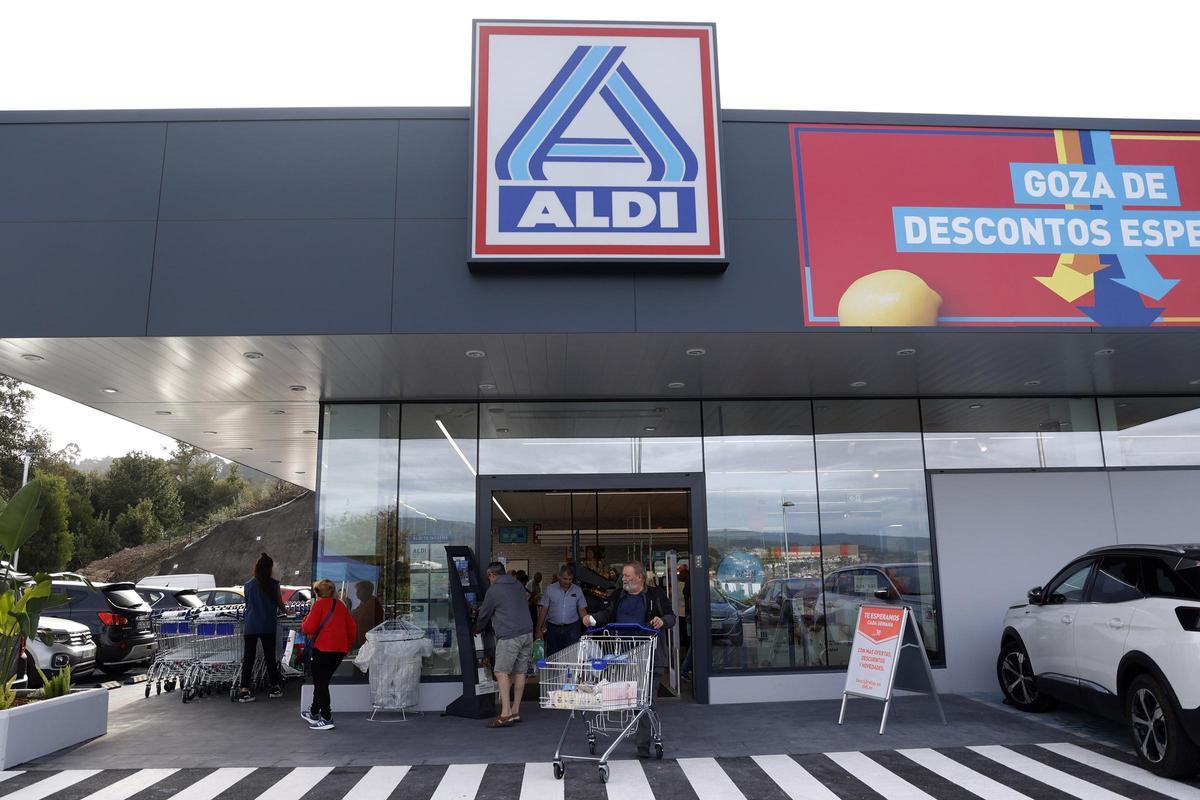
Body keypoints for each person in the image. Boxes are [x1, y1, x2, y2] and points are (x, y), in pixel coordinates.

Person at [584, 561, 676, 757]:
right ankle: (644, 733)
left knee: (645, 700)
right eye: (623, 575)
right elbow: (607, 613)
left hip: (651, 656)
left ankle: (643, 746)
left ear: (639, 577)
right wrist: (593, 618)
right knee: (635, 698)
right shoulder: (619, 595)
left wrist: (661, 620)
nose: (623, 579)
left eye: (627, 575)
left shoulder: (655, 595)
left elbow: (671, 617)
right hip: (625, 656)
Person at [473, 561, 533, 728]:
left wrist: (477, 628)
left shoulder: (494, 590)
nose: (489, 580)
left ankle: (505, 714)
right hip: (527, 632)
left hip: (510, 635)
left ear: (492, 575)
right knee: (520, 672)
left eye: (489, 577)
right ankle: (515, 711)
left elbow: (484, 614)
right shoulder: (518, 585)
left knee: (501, 672)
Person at [300, 578, 357, 730]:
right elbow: (352, 627)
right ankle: (313, 712)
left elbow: (308, 628)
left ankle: (326, 717)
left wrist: (304, 621)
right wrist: (348, 646)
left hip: (322, 649)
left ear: (318, 592)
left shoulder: (318, 605)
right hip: (339, 651)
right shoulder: (341, 606)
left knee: (321, 683)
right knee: (322, 682)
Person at [236, 553, 286, 702]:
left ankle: (244, 689)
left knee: (248, 658)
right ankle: (275, 687)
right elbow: (280, 603)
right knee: (270, 657)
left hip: (251, 625)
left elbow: (248, 604)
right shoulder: (273, 584)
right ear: (270, 569)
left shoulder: (248, 585)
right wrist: (287, 611)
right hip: (267, 625)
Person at [536, 564, 589, 656]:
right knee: (553, 656)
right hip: (553, 629)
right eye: (565, 579)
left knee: (572, 656)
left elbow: (582, 610)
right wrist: (538, 629)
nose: (567, 582)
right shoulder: (550, 589)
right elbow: (544, 610)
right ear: (559, 577)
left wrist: (588, 623)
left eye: (570, 579)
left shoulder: (577, 590)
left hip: (572, 629)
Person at [350, 580, 384, 649]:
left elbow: (362, 617)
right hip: (362, 639)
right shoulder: (364, 602)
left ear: (367, 591)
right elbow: (355, 613)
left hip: (368, 641)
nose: (357, 593)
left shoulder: (373, 603)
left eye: (359, 590)